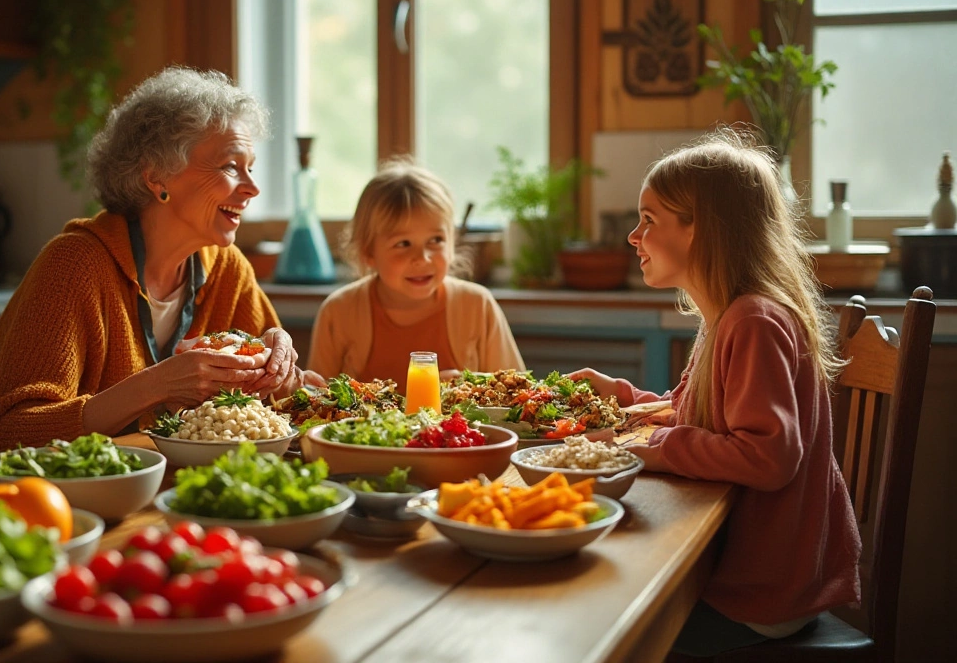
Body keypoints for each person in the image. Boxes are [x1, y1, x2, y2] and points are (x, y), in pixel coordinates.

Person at [568, 131, 861, 656]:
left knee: (604, 627)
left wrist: (646, 449)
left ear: (701, 228)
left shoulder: (754, 321)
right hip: (760, 579)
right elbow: (701, 416)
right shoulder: (727, 316)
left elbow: (766, 455)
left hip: (764, 595)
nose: (634, 237)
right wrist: (624, 397)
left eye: (649, 220)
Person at [0, 67, 300, 472]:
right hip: (25, 504)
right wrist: (159, 385)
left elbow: (277, 407)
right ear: (156, 177)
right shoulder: (74, 266)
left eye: (251, 167)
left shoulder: (224, 268)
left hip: (149, 498)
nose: (253, 188)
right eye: (229, 167)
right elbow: (3, 438)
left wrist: (281, 367)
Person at [307, 159, 524, 385]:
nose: (423, 258)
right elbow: (315, 405)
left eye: (436, 240)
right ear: (368, 252)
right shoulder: (339, 312)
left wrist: (472, 387)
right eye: (403, 244)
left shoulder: (478, 306)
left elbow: (515, 392)